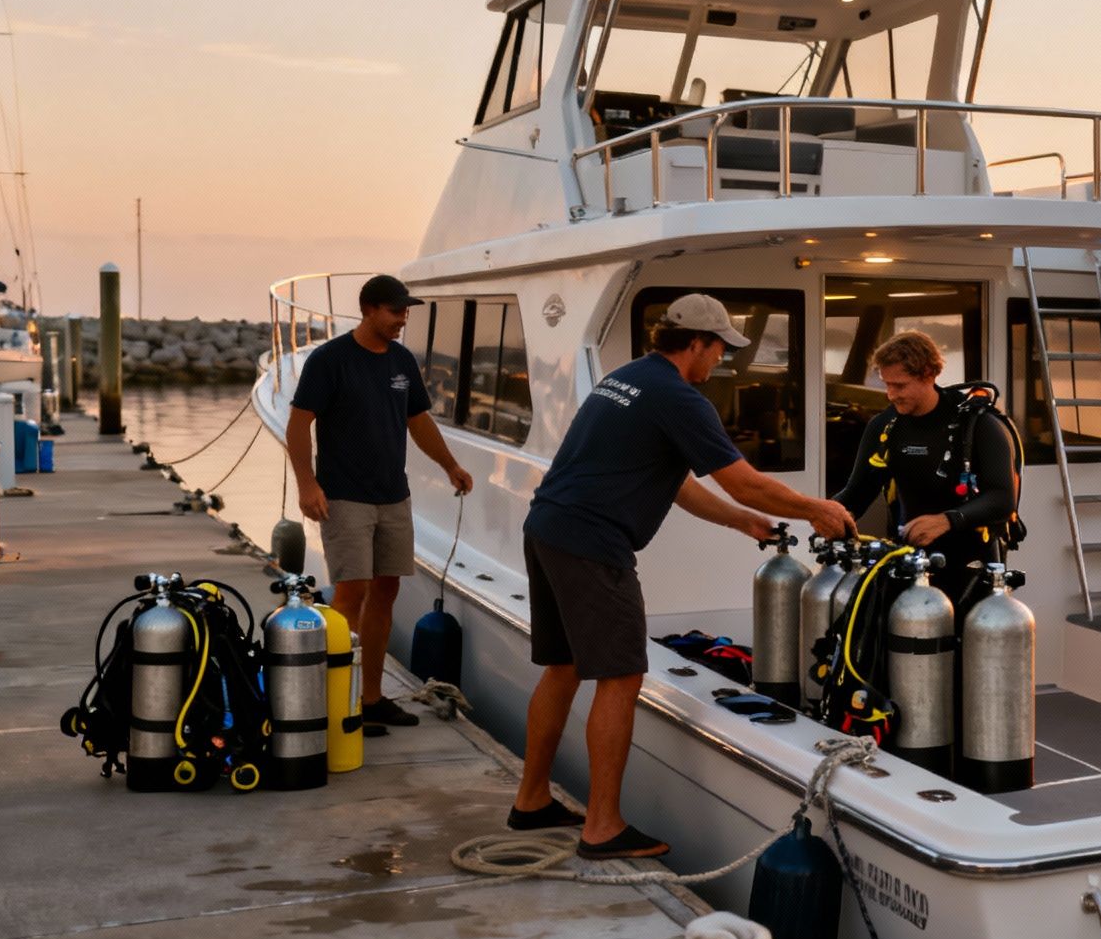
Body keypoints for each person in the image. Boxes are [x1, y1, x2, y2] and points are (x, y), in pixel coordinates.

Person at [511, 293, 856, 860]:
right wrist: (813, 508)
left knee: (564, 666)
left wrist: (741, 521)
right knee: (620, 676)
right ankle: (602, 828)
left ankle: (530, 802)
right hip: (593, 544)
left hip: (548, 527)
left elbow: (677, 482)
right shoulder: (679, 397)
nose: (722, 359)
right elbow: (744, 480)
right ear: (695, 343)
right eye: (720, 348)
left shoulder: (627, 380)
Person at [286, 273, 474, 735]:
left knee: (387, 593)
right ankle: (340, 702)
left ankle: (371, 698)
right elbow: (298, 426)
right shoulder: (331, 360)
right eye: (395, 312)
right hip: (345, 496)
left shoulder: (401, 361)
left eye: (405, 312)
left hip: (394, 496)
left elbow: (418, 420)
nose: (402, 320)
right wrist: (307, 485)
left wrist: (450, 464)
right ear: (368, 309)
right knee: (351, 594)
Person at [831, 330, 1018, 607]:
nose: (891, 395)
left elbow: (1002, 499)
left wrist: (946, 520)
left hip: (971, 571)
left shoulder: (977, 426)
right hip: (908, 565)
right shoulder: (884, 427)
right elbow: (858, 492)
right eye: (887, 384)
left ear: (929, 374)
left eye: (900, 385)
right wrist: (821, 513)